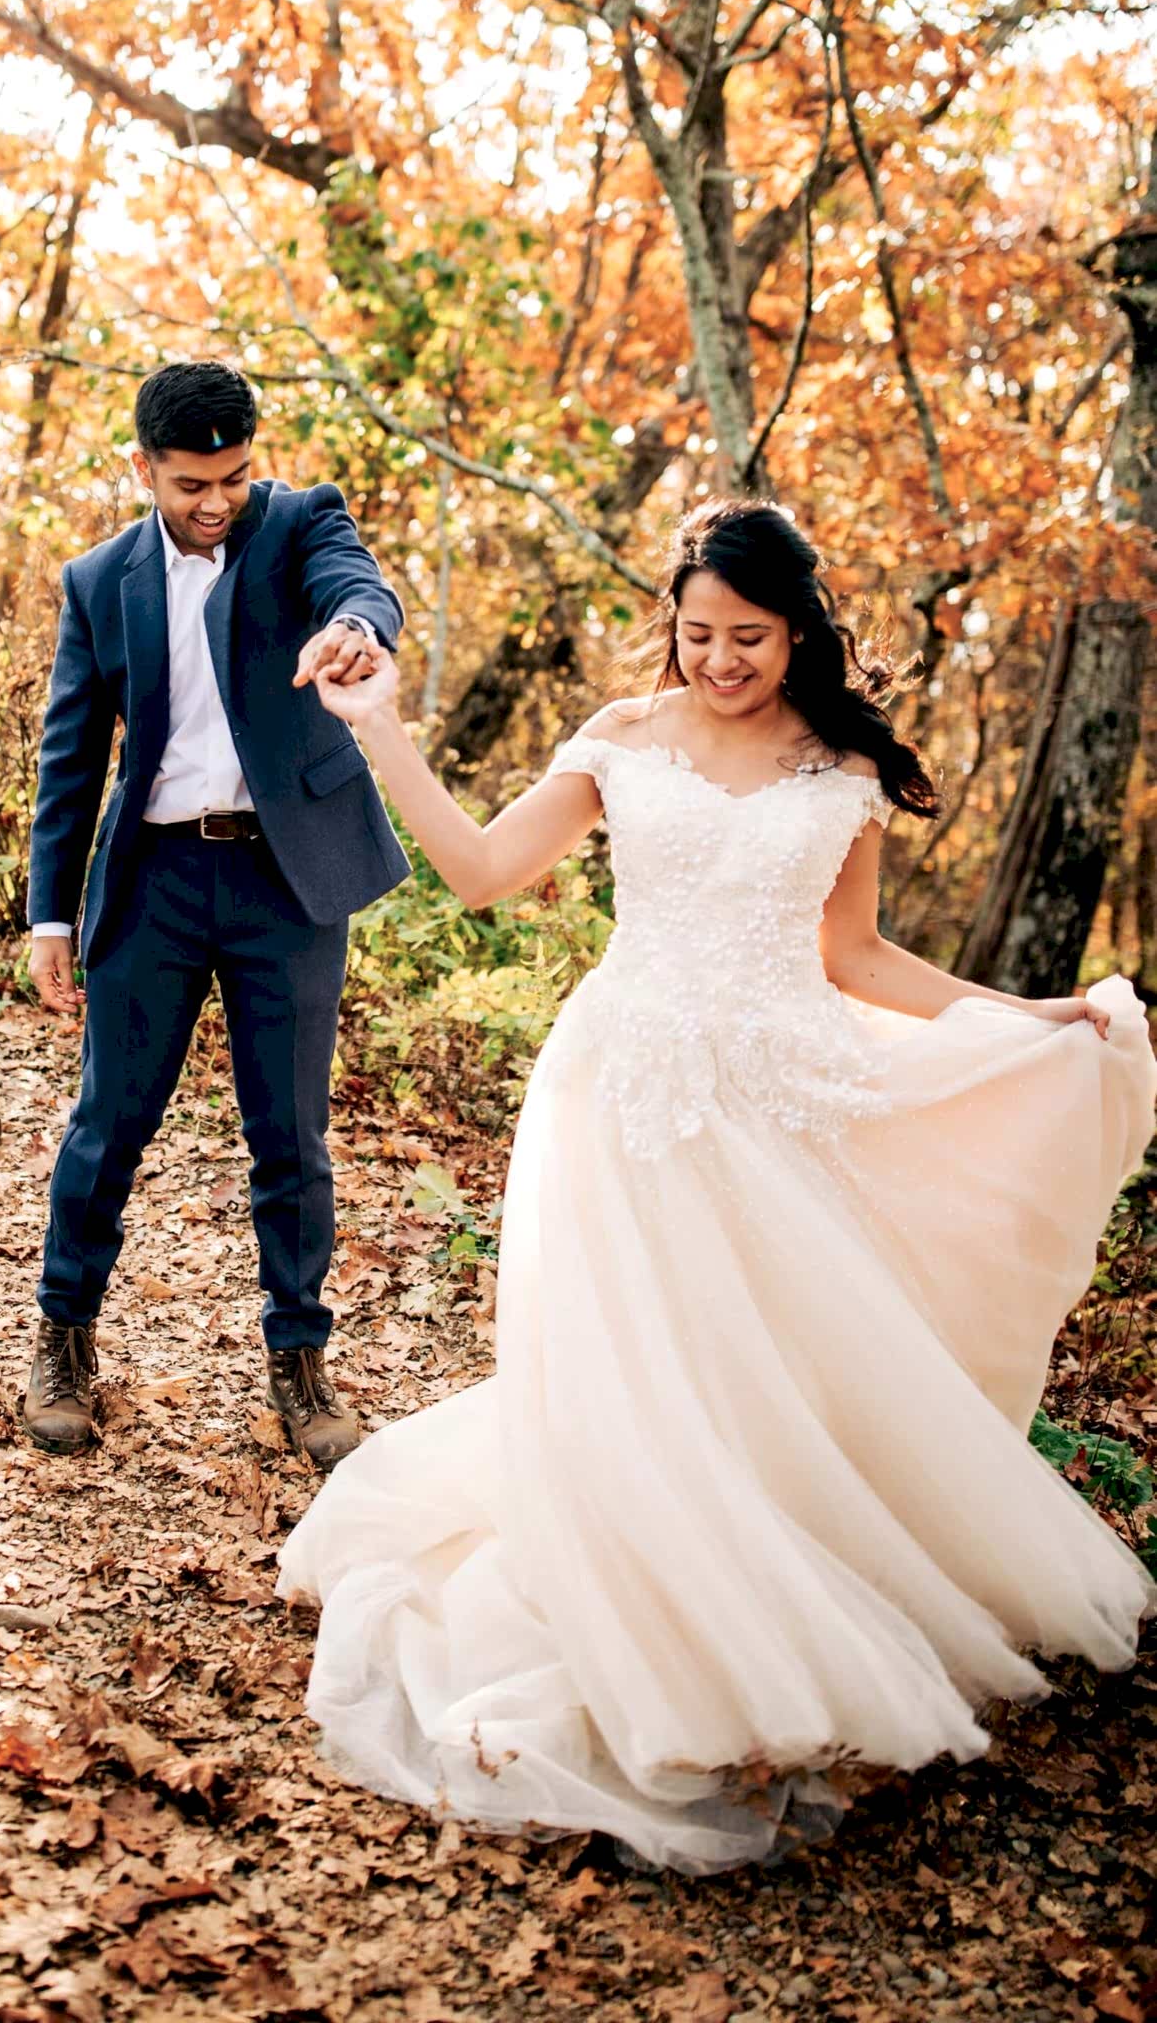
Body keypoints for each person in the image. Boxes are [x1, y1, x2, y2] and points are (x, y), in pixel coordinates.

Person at [278, 498, 1157, 1872]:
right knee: (635, 1367)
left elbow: (857, 961)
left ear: (796, 631)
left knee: (764, 1370)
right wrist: (375, 721)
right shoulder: (624, 739)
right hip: (618, 1094)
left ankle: (772, 1599)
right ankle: (650, 1626)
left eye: (745, 638)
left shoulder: (841, 771)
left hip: (777, 1101)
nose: (718, 661)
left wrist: (1021, 1020)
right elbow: (479, 872)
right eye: (695, 634)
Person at [23, 360, 407, 1468]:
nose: (214, 500)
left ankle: (298, 1361)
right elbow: (69, 755)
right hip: (154, 880)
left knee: (289, 1134)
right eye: (191, 481)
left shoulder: (295, 525)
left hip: (285, 884)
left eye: (232, 477)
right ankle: (62, 1341)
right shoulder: (100, 581)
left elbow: (360, 586)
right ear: (141, 465)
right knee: (110, 1122)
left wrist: (355, 633)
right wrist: (52, 915)